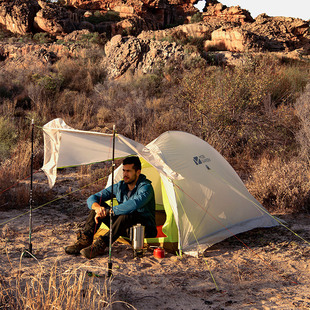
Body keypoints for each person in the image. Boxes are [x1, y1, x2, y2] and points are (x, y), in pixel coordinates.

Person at [65, 156, 157, 259]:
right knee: (99, 208)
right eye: (124, 171)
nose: (125, 174)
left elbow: (133, 204)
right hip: (122, 226)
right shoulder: (120, 186)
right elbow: (93, 197)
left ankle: (101, 244)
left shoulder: (146, 187)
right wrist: (97, 208)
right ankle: (84, 241)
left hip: (143, 230)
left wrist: (109, 211)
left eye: (128, 171)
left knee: (128, 214)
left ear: (138, 172)